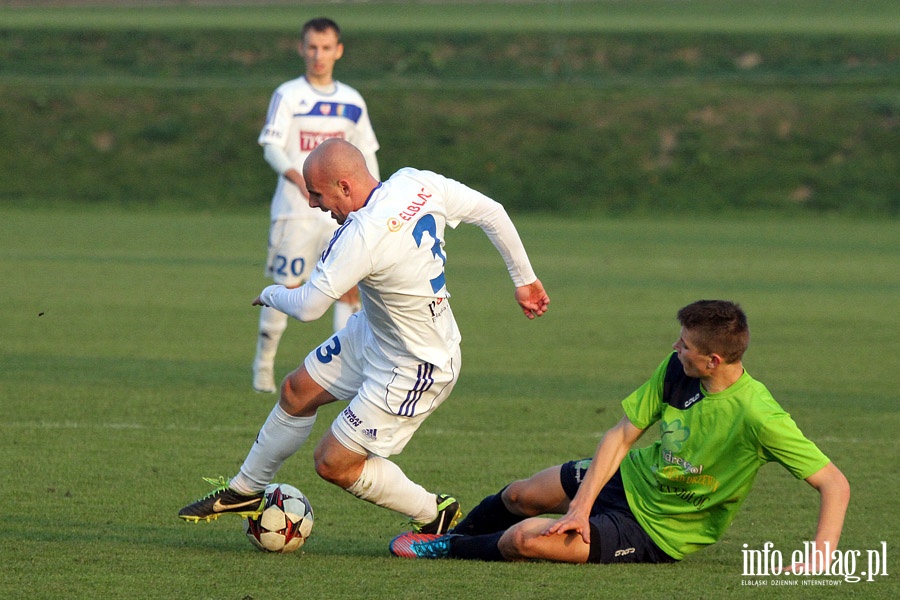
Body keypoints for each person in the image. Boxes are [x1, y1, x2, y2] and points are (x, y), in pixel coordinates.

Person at [179, 139, 551, 536]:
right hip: (375, 331)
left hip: (417, 365)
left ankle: (433, 510)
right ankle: (245, 490)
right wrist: (525, 281)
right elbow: (492, 212)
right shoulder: (416, 182)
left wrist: (271, 294)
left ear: (344, 186)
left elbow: (308, 307)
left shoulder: (361, 235)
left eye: (318, 195)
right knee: (296, 391)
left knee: (332, 463)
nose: (314, 205)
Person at [390, 300, 850, 569]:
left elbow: (834, 483)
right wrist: (581, 505)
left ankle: (450, 547)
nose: (675, 348)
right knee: (521, 496)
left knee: (524, 540)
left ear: (714, 360)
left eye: (685, 344)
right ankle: (456, 532)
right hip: (628, 480)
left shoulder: (759, 415)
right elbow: (621, 436)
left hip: (659, 529)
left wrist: (821, 553)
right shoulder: (677, 370)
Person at [253, 17, 380, 394]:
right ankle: (263, 366)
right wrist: (301, 180)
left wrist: (372, 203)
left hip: (342, 213)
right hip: (296, 210)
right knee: (288, 283)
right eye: (312, 47)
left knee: (348, 289)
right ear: (301, 48)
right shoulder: (289, 95)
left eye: (326, 48)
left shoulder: (352, 101)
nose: (318, 55)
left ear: (338, 50)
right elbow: (272, 145)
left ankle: (343, 373)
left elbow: (367, 156)